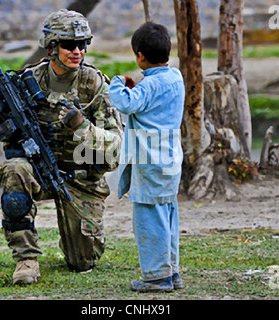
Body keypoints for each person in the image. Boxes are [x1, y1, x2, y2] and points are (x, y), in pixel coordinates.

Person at [0, 9, 123, 285]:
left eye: (83, 44)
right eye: (70, 45)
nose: (77, 51)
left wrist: (83, 127)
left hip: (82, 179)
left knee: (83, 261)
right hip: (38, 171)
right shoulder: (29, 79)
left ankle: (76, 245)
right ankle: (26, 258)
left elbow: (116, 150)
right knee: (14, 170)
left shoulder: (96, 87)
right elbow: (5, 123)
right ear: (52, 47)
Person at [109, 22, 185, 292]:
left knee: (149, 220)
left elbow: (126, 102)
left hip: (150, 162)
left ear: (139, 56)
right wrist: (136, 87)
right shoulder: (175, 77)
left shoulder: (148, 87)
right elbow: (146, 98)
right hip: (170, 159)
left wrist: (118, 83)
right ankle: (172, 271)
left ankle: (156, 277)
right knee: (167, 216)